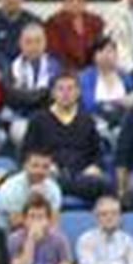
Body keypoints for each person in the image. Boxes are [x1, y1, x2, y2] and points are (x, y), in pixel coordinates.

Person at [21, 73, 109, 205]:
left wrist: (94, 166)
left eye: (70, 89)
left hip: (82, 176)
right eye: (60, 89)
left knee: (104, 184)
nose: (65, 93)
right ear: (53, 93)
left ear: (78, 93)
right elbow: (27, 152)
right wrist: (44, 166)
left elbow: (97, 153)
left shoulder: (87, 120)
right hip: (49, 175)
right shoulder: (38, 120)